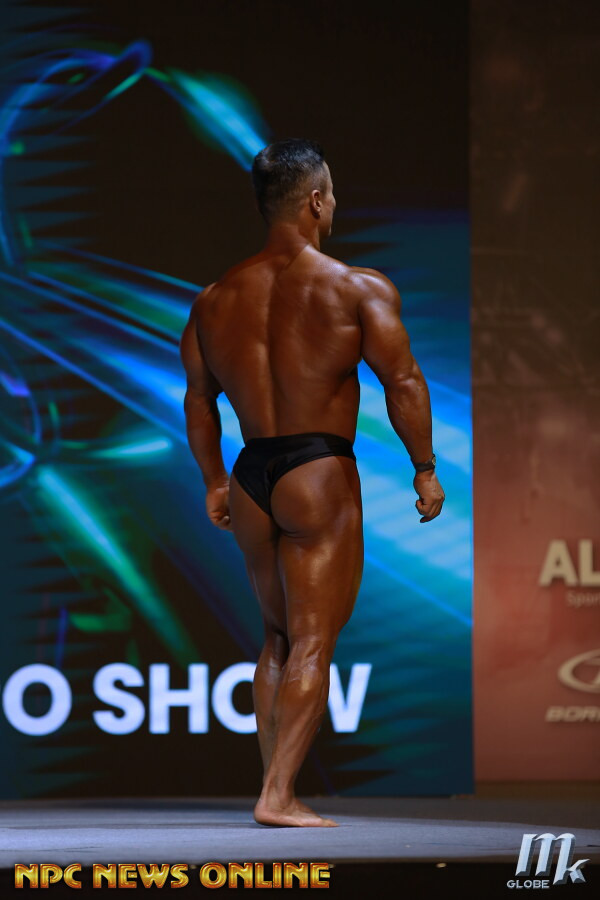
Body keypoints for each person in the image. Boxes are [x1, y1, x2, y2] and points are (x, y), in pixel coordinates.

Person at [180, 138, 445, 827]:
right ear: (316, 202)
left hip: (251, 473)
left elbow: (200, 402)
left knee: (275, 637)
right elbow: (404, 381)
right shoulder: (354, 287)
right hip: (317, 470)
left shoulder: (214, 300)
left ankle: (274, 784)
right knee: (313, 640)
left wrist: (213, 481)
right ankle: (278, 796)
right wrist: (423, 467)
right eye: (333, 194)